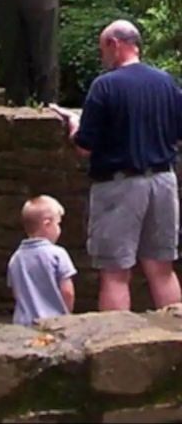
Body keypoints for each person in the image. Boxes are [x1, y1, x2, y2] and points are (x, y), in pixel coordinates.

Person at [68, 20, 182, 312]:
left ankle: (116, 350)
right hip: (164, 182)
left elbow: (84, 146)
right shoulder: (166, 82)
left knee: (116, 274)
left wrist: (74, 126)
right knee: (162, 269)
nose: (102, 57)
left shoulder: (105, 86)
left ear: (114, 45)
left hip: (119, 186)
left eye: (102, 49)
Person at [7, 195, 76, 325]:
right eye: (58, 223)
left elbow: (16, 292)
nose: (59, 228)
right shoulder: (58, 254)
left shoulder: (15, 258)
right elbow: (67, 292)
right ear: (47, 224)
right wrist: (68, 314)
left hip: (23, 324)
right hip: (54, 322)